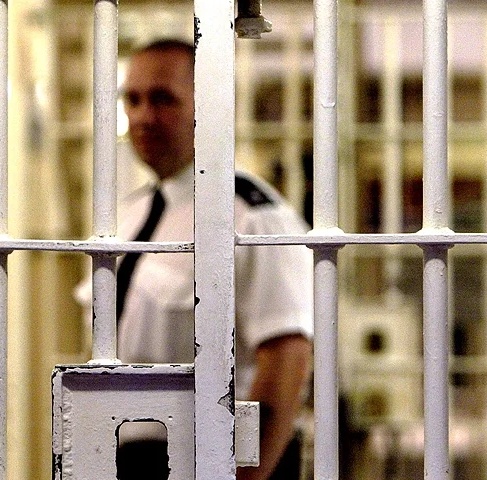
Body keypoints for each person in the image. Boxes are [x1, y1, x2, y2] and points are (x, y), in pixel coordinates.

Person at [78, 39, 313, 480]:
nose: (144, 116)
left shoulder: (252, 216)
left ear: (208, 106)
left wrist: (246, 473)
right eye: (133, 99)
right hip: (129, 454)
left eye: (163, 99)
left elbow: (287, 357)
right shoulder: (127, 217)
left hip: (211, 456)